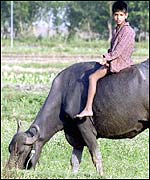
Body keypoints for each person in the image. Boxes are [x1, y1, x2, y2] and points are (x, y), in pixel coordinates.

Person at [75, 1, 135, 118]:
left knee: (92, 77)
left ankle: (88, 108)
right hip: (114, 58)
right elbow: (112, 48)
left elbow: (119, 50)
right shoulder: (116, 29)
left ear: (126, 15)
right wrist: (107, 56)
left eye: (121, 15)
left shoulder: (128, 31)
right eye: (116, 15)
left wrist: (106, 58)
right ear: (113, 15)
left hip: (120, 61)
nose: (118, 18)